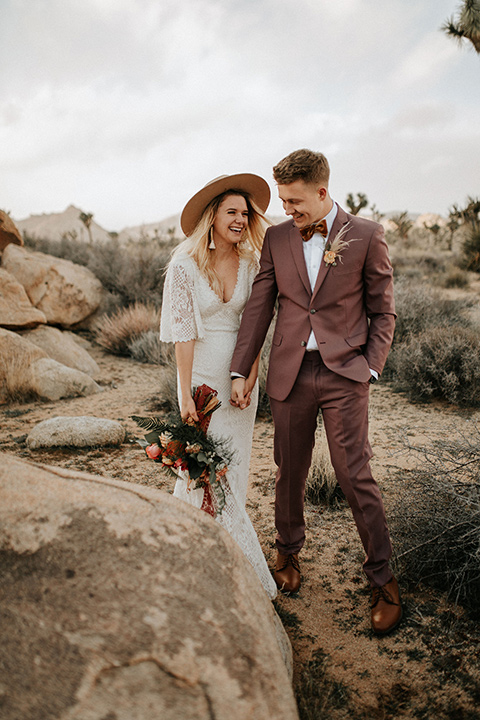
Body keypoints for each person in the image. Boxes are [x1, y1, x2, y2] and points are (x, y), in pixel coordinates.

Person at [230, 149, 402, 635]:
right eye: (283, 200)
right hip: (289, 373)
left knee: (354, 474)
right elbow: (260, 306)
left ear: (322, 191)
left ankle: (383, 578)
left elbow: (383, 311)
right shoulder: (278, 238)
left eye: (295, 200)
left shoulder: (366, 235)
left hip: (346, 374)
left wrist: (370, 367)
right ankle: (287, 555)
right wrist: (242, 369)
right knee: (289, 469)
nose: (287, 209)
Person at [160, 173, 277, 599]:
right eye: (232, 212)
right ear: (213, 217)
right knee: (205, 472)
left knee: (236, 471)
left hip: (242, 382)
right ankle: (198, 558)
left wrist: (251, 375)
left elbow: (258, 324)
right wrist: (184, 391)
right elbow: (183, 332)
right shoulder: (184, 266)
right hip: (203, 381)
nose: (241, 220)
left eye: (245, 214)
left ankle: (222, 557)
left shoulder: (252, 263)